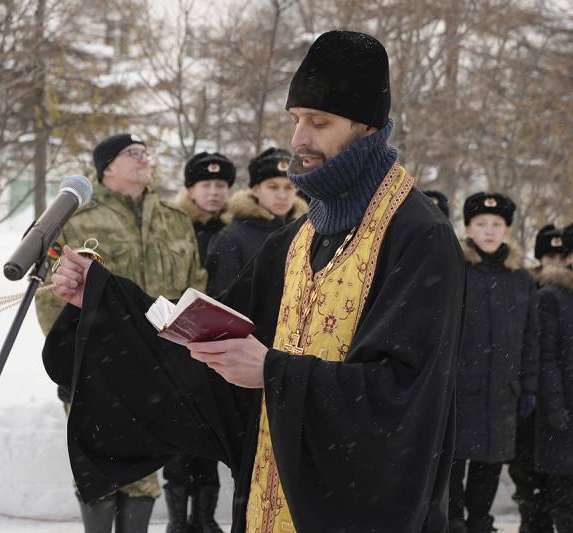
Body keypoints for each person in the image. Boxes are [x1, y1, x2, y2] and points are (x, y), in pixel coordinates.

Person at [42, 30, 465, 532]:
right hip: (267, 501)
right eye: (295, 120)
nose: (298, 139)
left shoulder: (419, 236)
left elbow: (405, 401)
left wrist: (273, 373)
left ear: (367, 127)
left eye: (319, 122)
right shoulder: (298, 238)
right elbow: (202, 337)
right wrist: (105, 299)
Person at [34, 132, 207, 533]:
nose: (144, 158)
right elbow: (49, 296)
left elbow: (195, 290)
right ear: (107, 166)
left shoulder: (175, 221)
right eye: (133, 153)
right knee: (98, 464)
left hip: (158, 367)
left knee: (145, 468)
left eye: (146, 152)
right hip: (98, 367)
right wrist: (76, 360)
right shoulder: (75, 222)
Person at [450, 192, 540, 533]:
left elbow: (532, 338)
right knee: (452, 465)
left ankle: (480, 524)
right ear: (469, 229)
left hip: (502, 393)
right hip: (460, 390)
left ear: (507, 230)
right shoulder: (457, 270)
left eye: (496, 225)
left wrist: (528, 386)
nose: (489, 231)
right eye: (481, 224)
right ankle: (453, 522)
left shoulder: (521, 279)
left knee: (489, 466)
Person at [167, 151, 236, 533]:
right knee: (179, 432)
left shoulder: (236, 229)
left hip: (220, 341)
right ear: (190, 189)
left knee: (210, 432)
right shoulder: (175, 228)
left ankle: (205, 518)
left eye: (221, 185)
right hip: (179, 342)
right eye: (206, 185)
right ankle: (178, 520)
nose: (214, 192)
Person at [509, 223, 567, 533]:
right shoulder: (527, 288)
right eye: (550, 256)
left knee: (557, 495)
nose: (555, 264)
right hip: (530, 409)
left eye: (561, 256)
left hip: (557, 408)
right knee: (530, 493)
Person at [205, 148, 308, 295]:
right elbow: (222, 298)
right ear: (255, 189)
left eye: (289, 187)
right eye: (273, 187)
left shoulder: (305, 230)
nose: (282, 195)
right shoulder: (231, 237)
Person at [534, 228, 573, 533]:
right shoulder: (552, 296)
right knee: (564, 502)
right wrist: (556, 407)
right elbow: (546, 356)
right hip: (563, 416)